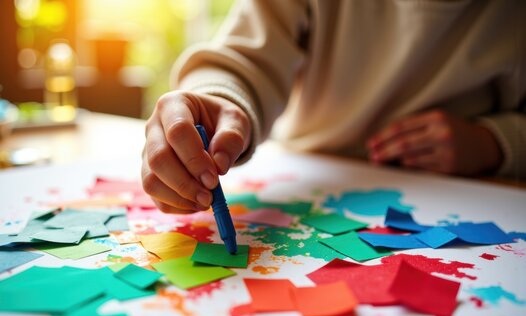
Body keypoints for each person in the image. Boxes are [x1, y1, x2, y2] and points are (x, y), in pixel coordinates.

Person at [142, 0, 525, 214]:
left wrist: (495, 141)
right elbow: (246, 61)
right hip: (307, 189)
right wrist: (220, 99)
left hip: (465, 197)